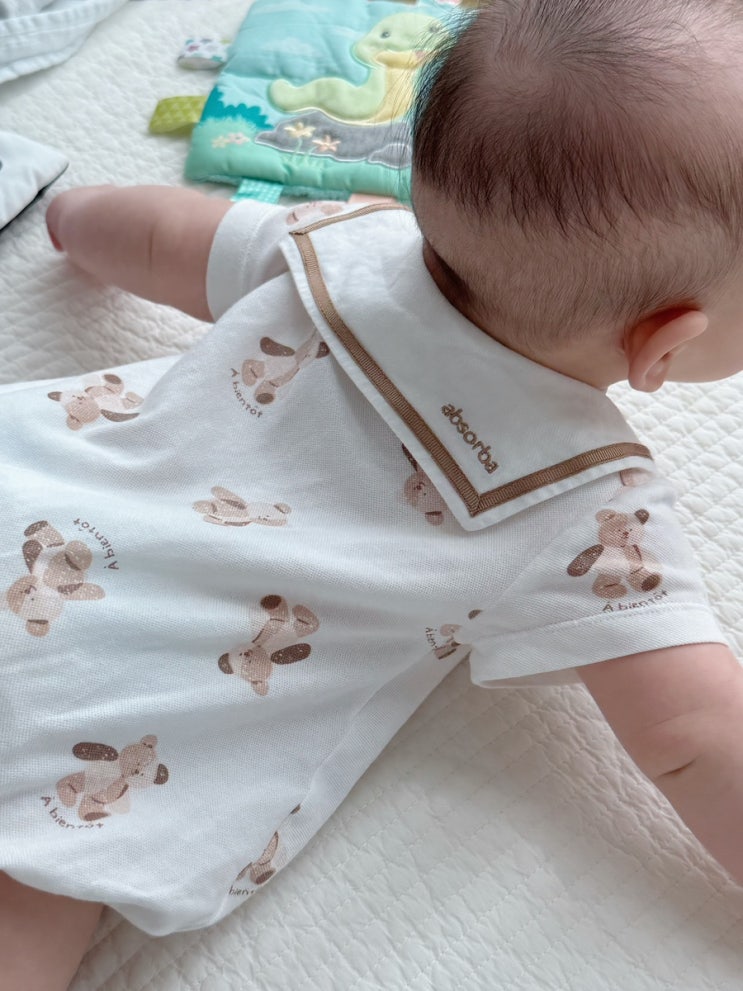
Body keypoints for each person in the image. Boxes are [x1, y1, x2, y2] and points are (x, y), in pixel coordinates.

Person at [4, 1, 743, 987]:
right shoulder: (585, 504)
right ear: (664, 344)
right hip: (115, 710)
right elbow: (694, 741)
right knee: (39, 888)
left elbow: (159, 236)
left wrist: (74, 218)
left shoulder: (338, 243)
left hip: (32, 503)